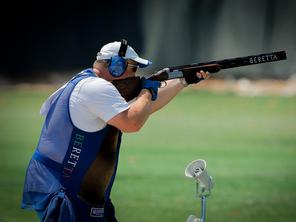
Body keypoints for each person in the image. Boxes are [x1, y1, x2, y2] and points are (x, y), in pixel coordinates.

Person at [21, 39, 209, 222]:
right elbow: (132, 122)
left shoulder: (88, 82)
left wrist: (183, 81)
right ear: (116, 66)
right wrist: (145, 92)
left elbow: (143, 109)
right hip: (67, 189)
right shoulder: (96, 88)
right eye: (133, 68)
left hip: (76, 188)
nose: (136, 75)